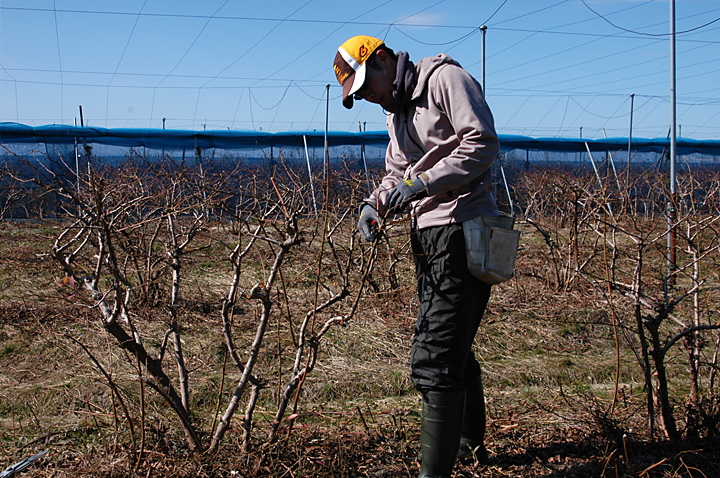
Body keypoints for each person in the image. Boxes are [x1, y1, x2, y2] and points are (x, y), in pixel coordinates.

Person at [333, 35, 500, 477]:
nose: (370, 96)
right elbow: (397, 173)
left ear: (385, 60)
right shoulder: (397, 111)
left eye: (368, 84)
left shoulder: (445, 79)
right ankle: (466, 443)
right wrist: (376, 201)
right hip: (428, 234)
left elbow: (482, 142)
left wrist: (423, 183)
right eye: (361, 95)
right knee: (452, 344)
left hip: (465, 226)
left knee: (436, 353)